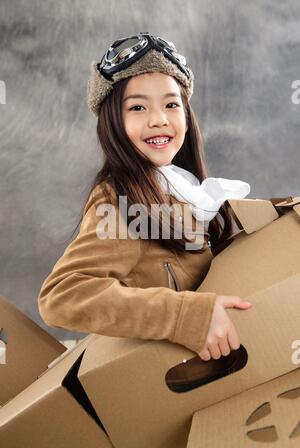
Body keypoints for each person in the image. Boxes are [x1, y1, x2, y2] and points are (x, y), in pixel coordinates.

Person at [38, 32, 252, 362]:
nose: (158, 119)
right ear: (113, 123)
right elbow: (62, 295)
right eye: (138, 107)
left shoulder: (186, 190)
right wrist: (184, 317)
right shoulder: (118, 200)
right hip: (161, 385)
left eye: (171, 104)